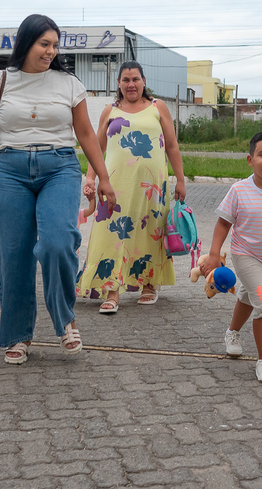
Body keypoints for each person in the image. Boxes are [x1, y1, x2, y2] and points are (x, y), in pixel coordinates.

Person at [0, 14, 116, 366]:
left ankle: (65, 319)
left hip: (59, 167)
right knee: (13, 254)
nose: (50, 51)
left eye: (54, 45)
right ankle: (18, 334)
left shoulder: (68, 83)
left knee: (57, 241)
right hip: (10, 170)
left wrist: (103, 177)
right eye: (43, 44)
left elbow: (83, 133)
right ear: (25, 43)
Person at [77, 61, 186, 314]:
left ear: (144, 81)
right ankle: (112, 289)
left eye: (135, 79)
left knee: (150, 230)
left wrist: (180, 180)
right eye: (125, 80)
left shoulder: (159, 108)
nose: (131, 84)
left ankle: (149, 284)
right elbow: (97, 147)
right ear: (118, 83)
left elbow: (171, 146)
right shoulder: (109, 111)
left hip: (152, 186)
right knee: (113, 234)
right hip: (114, 184)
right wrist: (90, 177)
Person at [198, 132, 262, 384]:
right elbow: (223, 223)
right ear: (250, 159)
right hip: (245, 255)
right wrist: (214, 254)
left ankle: (232, 333)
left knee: (247, 296)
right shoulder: (239, 190)